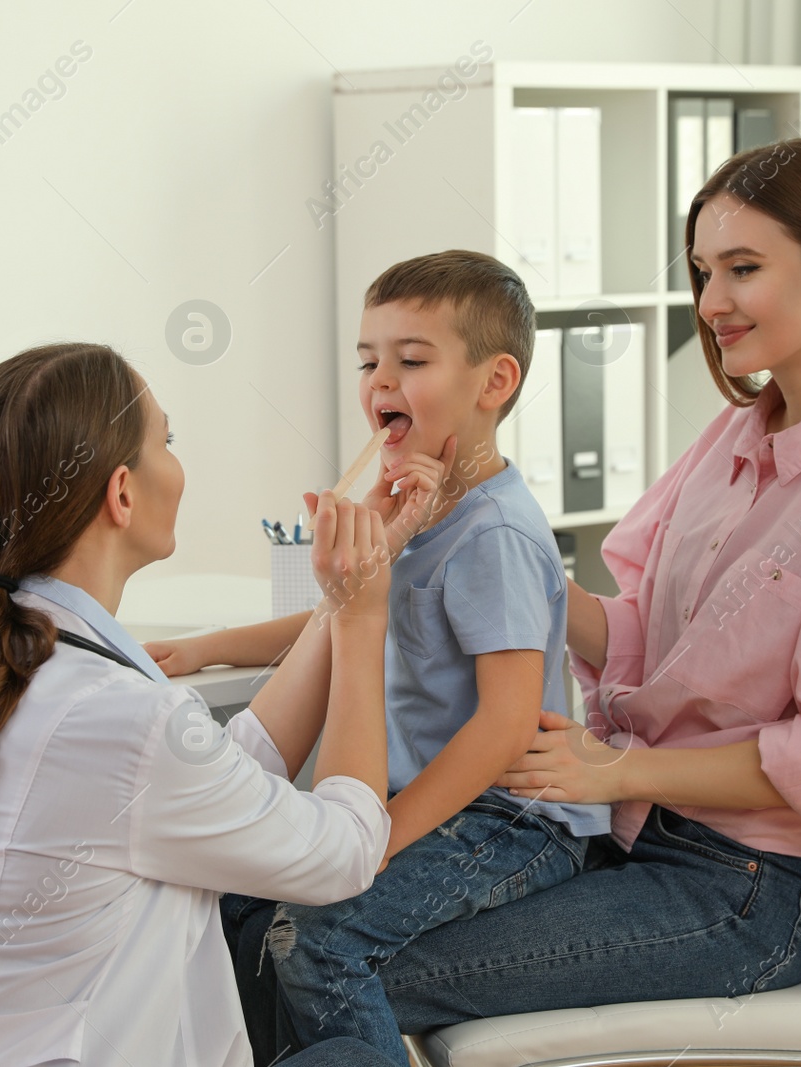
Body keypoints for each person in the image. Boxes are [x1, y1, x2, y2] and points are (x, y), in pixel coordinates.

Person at [241, 137, 801, 1039]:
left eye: (742, 269)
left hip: (742, 888)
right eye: (704, 270)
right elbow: (644, 638)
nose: (710, 303)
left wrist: (620, 765)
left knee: (317, 955)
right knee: (258, 928)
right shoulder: (734, 435)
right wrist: (475, 537)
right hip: (622, 832)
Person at [0, 343, 436, 1067]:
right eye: (166, 441)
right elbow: (345, 850)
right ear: (121, 492)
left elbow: (218, 771)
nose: (178, 463)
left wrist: (342, 596)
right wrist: (365, 619)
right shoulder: (124, 719)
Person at [151, 250, 611, 1065]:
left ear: (494, 381)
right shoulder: (426, 505)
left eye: (411, 359)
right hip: (432, 803)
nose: (380, 382)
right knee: (233, 906)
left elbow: (506, 724)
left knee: (315, 943)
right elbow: (351, 606)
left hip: (511, 821)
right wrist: (208, 646)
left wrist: (381, 835)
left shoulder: (495, 533)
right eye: (369, 361)